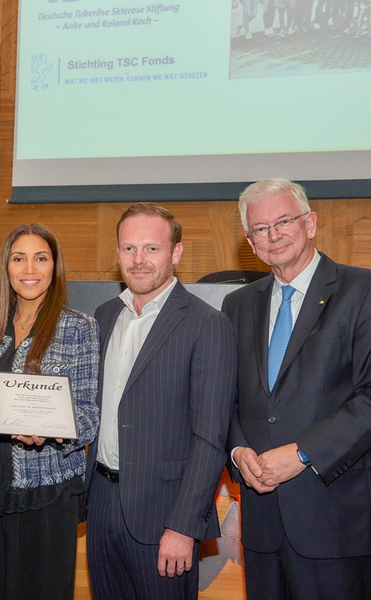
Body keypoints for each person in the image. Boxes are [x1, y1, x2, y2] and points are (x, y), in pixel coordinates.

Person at [223, 179, 371, 600]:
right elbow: (226, 398)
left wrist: (303, 453)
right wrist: (237, 450)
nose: (273, 235)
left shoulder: (362, 291)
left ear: (310, 223)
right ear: (251, 242)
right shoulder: (238, 305)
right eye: (260, 228)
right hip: (262, 521)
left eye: (284, 221)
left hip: (335, 520)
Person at [84, 202, 236, 600]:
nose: (138, 259)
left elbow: (210, 439)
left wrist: (184, 526)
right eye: (128, 248)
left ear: (176, 252)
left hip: (164, 514)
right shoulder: (103, 316)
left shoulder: (207, 324)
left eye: (151, 248)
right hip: (101, 504)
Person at [0, 223, 100, 600]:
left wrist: (53, 429)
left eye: (41, 258)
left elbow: (89, 416)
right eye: (19, 259)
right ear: (6, 266)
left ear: (55, 266)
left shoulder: (78, 328)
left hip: (46, 489)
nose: (30, 269)